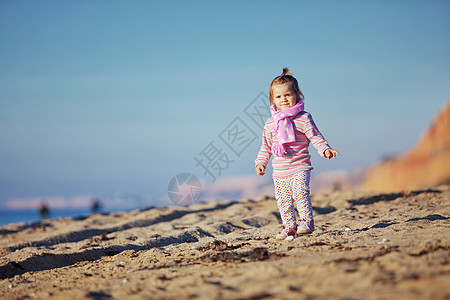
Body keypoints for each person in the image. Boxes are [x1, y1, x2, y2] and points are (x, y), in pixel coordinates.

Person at [255, 68, 340, 240]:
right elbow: (266, 146)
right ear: (273, 100)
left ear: (297, 95)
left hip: (300, 166)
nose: (283, 99)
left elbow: (315, 136)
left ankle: (306, 222)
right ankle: (289, 227)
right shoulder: (271, 124)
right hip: (279, 171)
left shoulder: (304, 118)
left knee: (301, 192)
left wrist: (325, 149)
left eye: (288, 94)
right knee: (284, 201)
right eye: (278, 97)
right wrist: (261, 162)